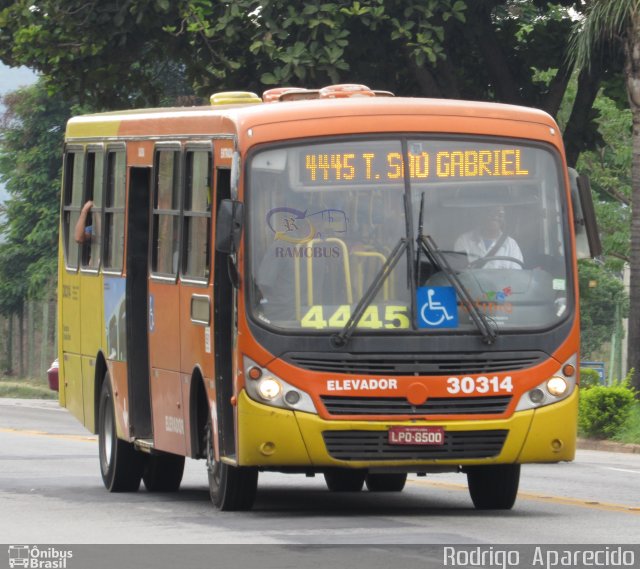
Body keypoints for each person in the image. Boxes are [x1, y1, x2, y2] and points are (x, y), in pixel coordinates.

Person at [454, 205, 523, 269]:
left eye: (500, 214)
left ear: (504, 218)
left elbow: (516, 275)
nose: (495, 217)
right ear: (482, 214)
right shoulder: (464, 240)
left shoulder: (512, 245)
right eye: (491, 212)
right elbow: (460, 273)